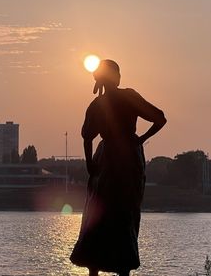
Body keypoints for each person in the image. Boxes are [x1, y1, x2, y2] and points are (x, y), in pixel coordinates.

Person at [70, 60, 167, 275]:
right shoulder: (129, 97)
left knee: (99, 213)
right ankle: (123, 269)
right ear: (116, 77)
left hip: (105, 160)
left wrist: (89, 163)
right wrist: (140, 139)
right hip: (128, 159)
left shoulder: (97, 104)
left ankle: (93, 269)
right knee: (125, 213)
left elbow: (87, 137)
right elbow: (160, 119)